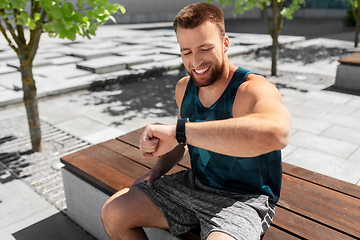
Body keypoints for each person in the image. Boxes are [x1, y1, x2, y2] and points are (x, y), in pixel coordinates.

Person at [101, 2, 291, 240]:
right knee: (113, 212)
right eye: (187, 52)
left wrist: (180, 132)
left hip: (244, 199)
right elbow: (181, 142)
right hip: (194, 184)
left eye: (205, 48)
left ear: (225, 44)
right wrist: (158, 169)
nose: (196, 62)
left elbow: (276, 133)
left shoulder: (251, 89)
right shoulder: (184, 87)